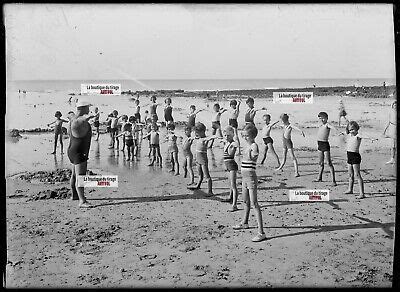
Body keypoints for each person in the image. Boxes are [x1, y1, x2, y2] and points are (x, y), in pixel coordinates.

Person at [233, 124, 266, 242]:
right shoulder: (247, 145)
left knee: (254, 203)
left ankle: (261, 232)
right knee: (245, 201)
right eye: (244, 135)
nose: (245, 137)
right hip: (244, 177)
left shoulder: (254, 145)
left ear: (252, 136)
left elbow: (253, 157)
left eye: (247, 136)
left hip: (251, 177)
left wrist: (247, 154)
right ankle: (245, 222)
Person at [68, 99, 95, 208]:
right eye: (88, 107)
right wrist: (89, 117)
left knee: (74, 175)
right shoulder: (79, 122)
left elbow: (69, 115)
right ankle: (82, 201)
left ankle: (74, 195)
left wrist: (86, 117)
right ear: (83, 108)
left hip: (72, 150)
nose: (89, 109)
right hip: (79, 152)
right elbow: (81, 120)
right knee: (81, 177)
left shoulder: (73, 118)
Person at [342, 121, 378, 199]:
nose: (352, 131)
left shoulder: (358, 136)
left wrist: (371, 138)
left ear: (357, 129)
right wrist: (342, 133)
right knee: (350, 174)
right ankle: (350, 189)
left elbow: (364, 136)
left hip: (355, 156)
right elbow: (344, 132)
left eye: (353, 129)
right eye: (350, 130)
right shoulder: (350, 135)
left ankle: (362, 193)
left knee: (357, 174)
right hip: (349, 155)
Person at [188, 122, 219, 196]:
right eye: (196, 133)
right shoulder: (199, 138)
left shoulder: (205, 139)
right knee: (200, 174)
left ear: (203, 132)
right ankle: (198, 186)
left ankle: (210, 191)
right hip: (198, 159)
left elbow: (211, 137)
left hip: (203, 160)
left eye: (198, 133)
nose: (196, 134)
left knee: (207, 176)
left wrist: (216, 136)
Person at [314, 112, 338, 185]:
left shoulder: (327, 125)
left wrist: (338, 131)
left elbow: (333, 127)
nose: (322, 120)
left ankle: (333, 181)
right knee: (321, 163)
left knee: (329, 163)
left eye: (323, 118)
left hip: (325, 144)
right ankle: (319, 177)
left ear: (327, 118)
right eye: (320, 118)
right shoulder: (320, 125)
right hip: (319, 144)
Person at [222, 126, 239, 212]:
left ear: (232, 135)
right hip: (228, 165)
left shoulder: (233, 144)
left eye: (228, 135)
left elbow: (231, 154)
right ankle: (230, 197)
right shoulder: (227, 143)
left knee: (233, 185)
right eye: (225, 135)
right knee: (230, 184)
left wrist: (229, 145)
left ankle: (234, 205)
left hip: (232, 165)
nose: (226, 137)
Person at [383, 100, 396, 164]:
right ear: (392, 105)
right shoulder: (391, 112)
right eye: (394, 104)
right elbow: (388, 121)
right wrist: (384, 131)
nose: (395, 105)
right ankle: (392, 159)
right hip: (392, 128)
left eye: (396, 104)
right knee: (393, 145)